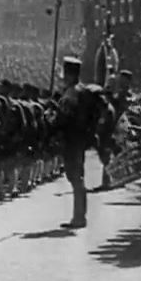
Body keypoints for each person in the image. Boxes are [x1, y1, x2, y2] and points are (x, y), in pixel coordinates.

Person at [54, 56, 90, 229]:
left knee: (75, 178)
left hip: (72, 139)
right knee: (78, 178)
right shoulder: (81, 90)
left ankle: (79, 217)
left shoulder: (71, 93)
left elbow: (64, 118)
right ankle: (80, 215)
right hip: (80, 139)